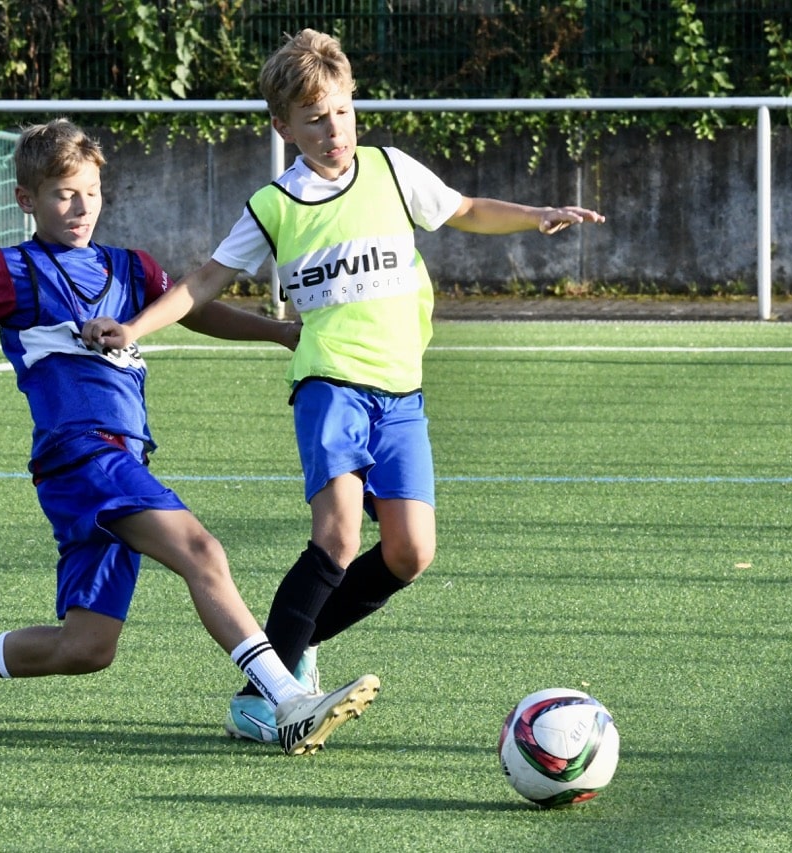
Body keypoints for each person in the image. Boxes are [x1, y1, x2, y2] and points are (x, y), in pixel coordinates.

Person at [0, 118, 378, 756]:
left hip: (119, 458)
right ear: (27, 201)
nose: (80, 207)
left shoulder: (131, 267)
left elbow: (196, 308)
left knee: (86, 648)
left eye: (90, 191)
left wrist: (277, 332)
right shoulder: (12, 272)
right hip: (81, 454)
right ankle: (287, 700)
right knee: (201, 550)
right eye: (62, 194)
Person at [81, 29, 605, 744]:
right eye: (314, 118)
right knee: (337, 534)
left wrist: (535, 214)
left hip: (403, 393)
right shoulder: (276, 204)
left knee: (410, 553)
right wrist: (136, 326)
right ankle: (263, 700)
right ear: (283, 127)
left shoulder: (391, 171)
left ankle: (277, 665)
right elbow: (204, 282)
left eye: (342, 111)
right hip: (330, 383)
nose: (334, 130)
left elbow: (464, 208)